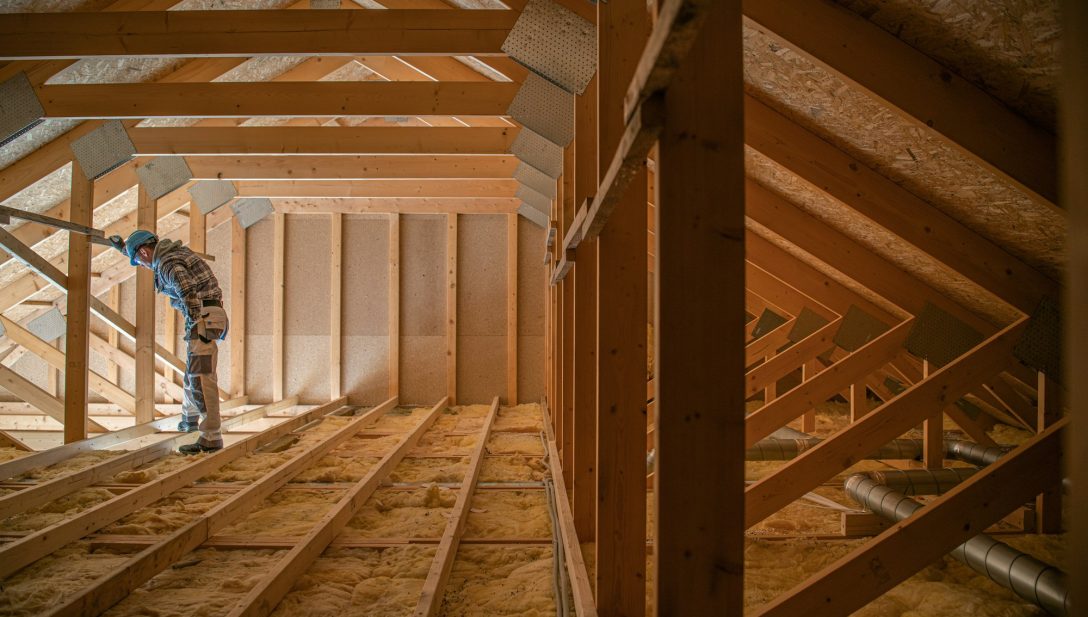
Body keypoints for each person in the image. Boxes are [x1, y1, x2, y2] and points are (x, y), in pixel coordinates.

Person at [109, 230, 228, 455]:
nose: (142, 266)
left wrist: (194, 321)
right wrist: (124, 249)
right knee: (192, 374)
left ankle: (211, 437)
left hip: (203, 319)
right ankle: (189, 420)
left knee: (201, 378)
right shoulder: (171, 253)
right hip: (209, 316)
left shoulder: (167, 263)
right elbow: (147, 257)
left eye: (139, 261)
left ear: (144, 251)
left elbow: (187, 290)